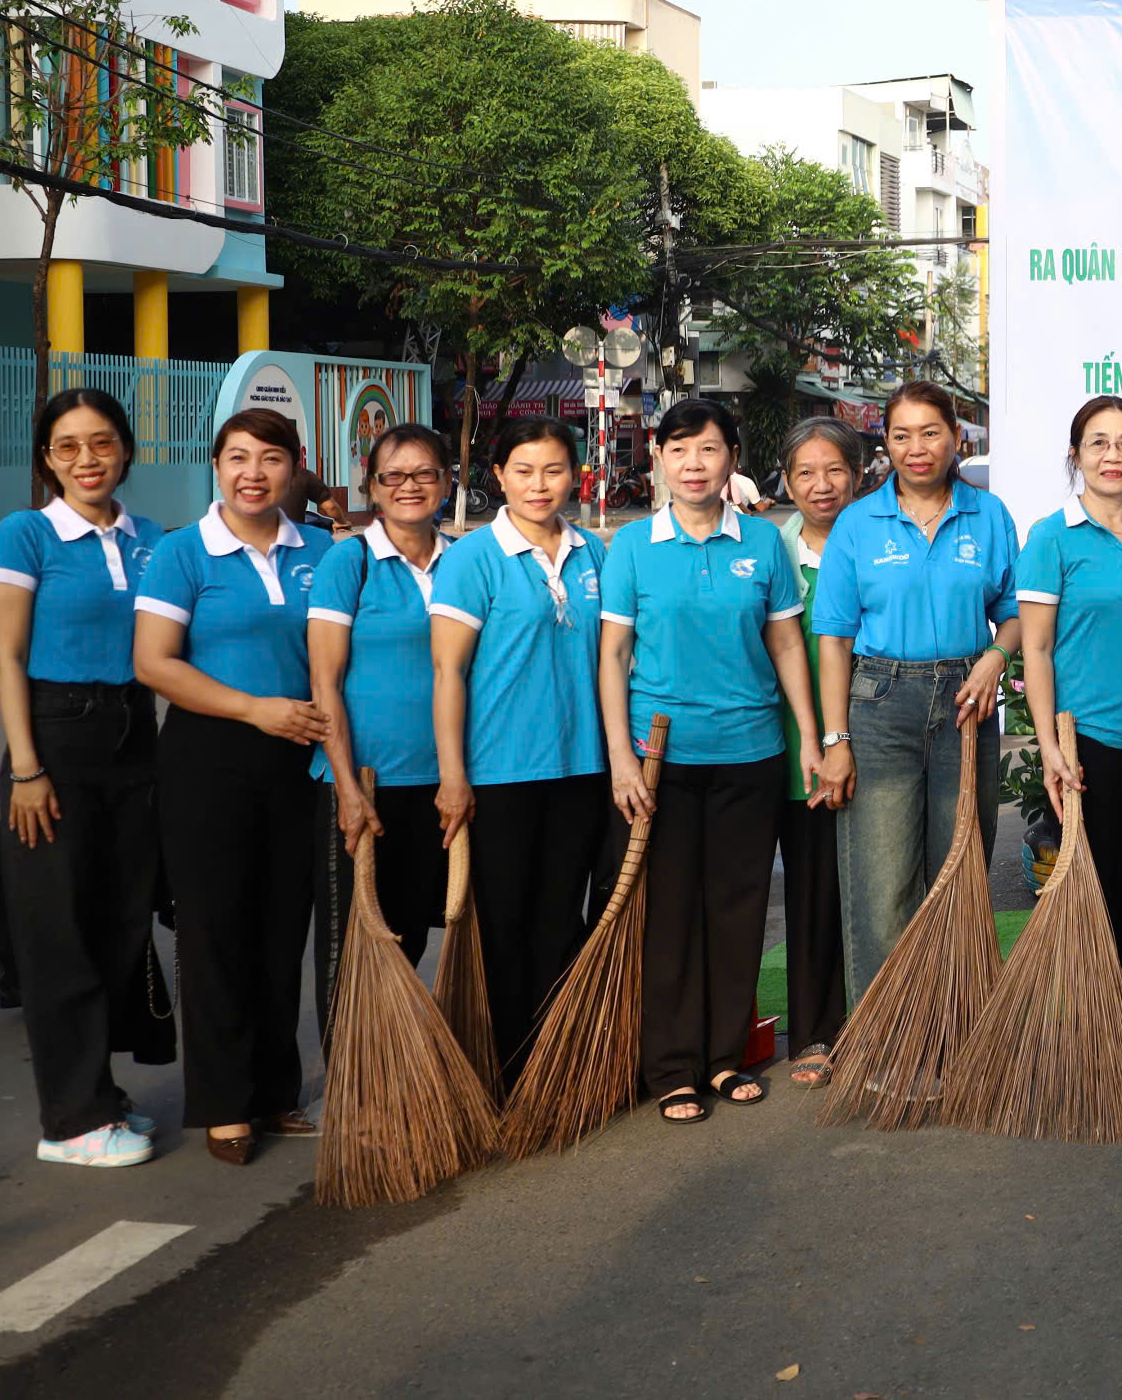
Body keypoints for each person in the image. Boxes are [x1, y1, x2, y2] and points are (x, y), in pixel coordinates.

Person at [601, 400, 820, 1124]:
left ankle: (726, 1055)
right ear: (658, 459)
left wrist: (812, 739)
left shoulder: (762, 542)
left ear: (733, 460)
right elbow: (615, 656)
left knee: (739, 909)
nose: (694, 463)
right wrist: (620, 762)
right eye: (680, 449)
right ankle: (672, 1066)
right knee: (669, 914)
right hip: (659, 758)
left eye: (710, 449)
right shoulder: (632, 546)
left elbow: (788, 645)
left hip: (751, 750)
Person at [133, 409, 333, 1166]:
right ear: (215, 464)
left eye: (271, 458)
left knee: (286, 929)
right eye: (239, 457)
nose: (254, 472)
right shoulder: (184, 552)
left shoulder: (319, 548)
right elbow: (155, 662)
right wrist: (257, 709)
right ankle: (223, 1101)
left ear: (296, 466)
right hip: (209, 758)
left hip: (301, 762)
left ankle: (275, 1090)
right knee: (216, 931)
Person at [0, 390, 156, 1167]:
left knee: (121, 920)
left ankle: (103, 1093)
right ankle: (71, 1121)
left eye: (102, 442)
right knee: (60, 935)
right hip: (53, 737)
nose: (87, 459)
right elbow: (8, 656)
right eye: (67, 446)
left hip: (133, 735)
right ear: (47, 459)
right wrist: (26, 768)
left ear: (125, 449)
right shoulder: (27, 534)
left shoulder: (151, 538)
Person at [812, 381, 1020, 999]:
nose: (917, 448)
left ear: (957, 437)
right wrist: (836, 739)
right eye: (901, 435)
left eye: (931, 433)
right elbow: (833, 640)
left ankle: (954, 1037)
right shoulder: (857, 523)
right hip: (879, 705)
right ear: (886, 442)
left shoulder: (989, 515)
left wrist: (995, 657)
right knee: (882, 887)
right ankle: (884, 1047)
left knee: (960, 875)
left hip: (966, 703)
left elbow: (1012, 612)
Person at [429, 417, 609, 1082]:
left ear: (575, 474)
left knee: (562, 922)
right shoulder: (474, 558)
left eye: (554, 469)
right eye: (525, 470)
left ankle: (558, 1068)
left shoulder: (593, 552)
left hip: (583, 766)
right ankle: (508, 1071)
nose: (540, 484)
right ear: (497, 475)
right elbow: (448, 672)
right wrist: (454, 776)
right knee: (502, 927)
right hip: (500, 770)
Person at [1016, 395, 1122, 1076]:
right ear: (1075, 454)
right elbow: (1038, 649)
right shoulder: (1051, 536)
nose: (1113, 455)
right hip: (1090, 745)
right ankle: (1090, 1032)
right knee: (1094, 896)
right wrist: (1050, 745)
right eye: (1099, 442)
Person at [306, 424, 454, 1039]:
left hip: (441, 786)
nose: (409, 486)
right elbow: (325, 682)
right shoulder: (351, 560)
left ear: (447, 484)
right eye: (393, 475)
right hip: (365, 783)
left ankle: (392, 1068)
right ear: (372, 486)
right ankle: (352, 1089)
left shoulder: (463, 560)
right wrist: (346, 788)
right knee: (354, 947)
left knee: (411, 934)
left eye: (424, 474)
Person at [773, 417, 864, 1088]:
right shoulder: (767, 552)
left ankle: (876, 1022)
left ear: (859, 475)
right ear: (785, 480)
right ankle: (811, 1029)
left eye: (834, 469)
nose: (821, 484)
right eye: (805, 472)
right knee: (811, 887)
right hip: (786, 749)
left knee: (874, 889)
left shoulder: (874, 545)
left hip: (873, 744)